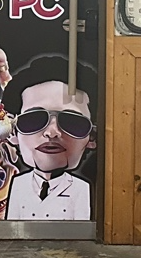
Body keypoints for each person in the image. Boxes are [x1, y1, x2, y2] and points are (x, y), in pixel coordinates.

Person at [5, 78, 94, 221]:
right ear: (12, 132)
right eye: (34, 119)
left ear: (92, 138)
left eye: (72, 122)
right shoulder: (17, 184)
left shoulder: (82, 188)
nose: (52, 133)